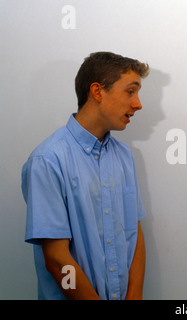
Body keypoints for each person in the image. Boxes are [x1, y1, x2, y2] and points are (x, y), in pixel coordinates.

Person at [21, 52, 150, 300]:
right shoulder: (47, 160)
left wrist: (135, 295)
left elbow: (134, 232)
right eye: (130, 91)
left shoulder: (124, 156)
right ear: (97, 91)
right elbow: (58, 261)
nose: (138, 104)